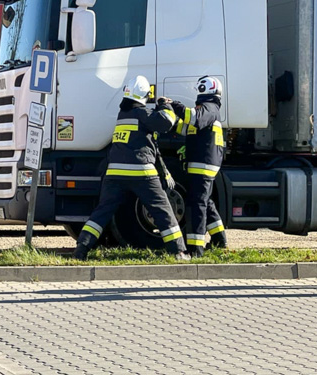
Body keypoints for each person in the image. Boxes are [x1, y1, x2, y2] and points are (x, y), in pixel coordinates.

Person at [73, 76, 190, 261]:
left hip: (114, 175)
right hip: (141, 173)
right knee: (162, 209)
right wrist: (164, 105)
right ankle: (178, 252)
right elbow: (165, 122)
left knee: (102, 212)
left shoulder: (123, 115)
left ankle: (82, 248)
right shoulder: (142, 114)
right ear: (144, 95)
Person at [171, 76, 227, 258]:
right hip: (202, 164)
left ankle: (196, 249)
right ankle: (219, 240)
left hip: (203, 165)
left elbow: (193, 118)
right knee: (206, 201)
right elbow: (185, 129)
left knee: (197, 204)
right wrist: (168, 117)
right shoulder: (207, 109)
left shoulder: (209, 109)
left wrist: (175, 105)